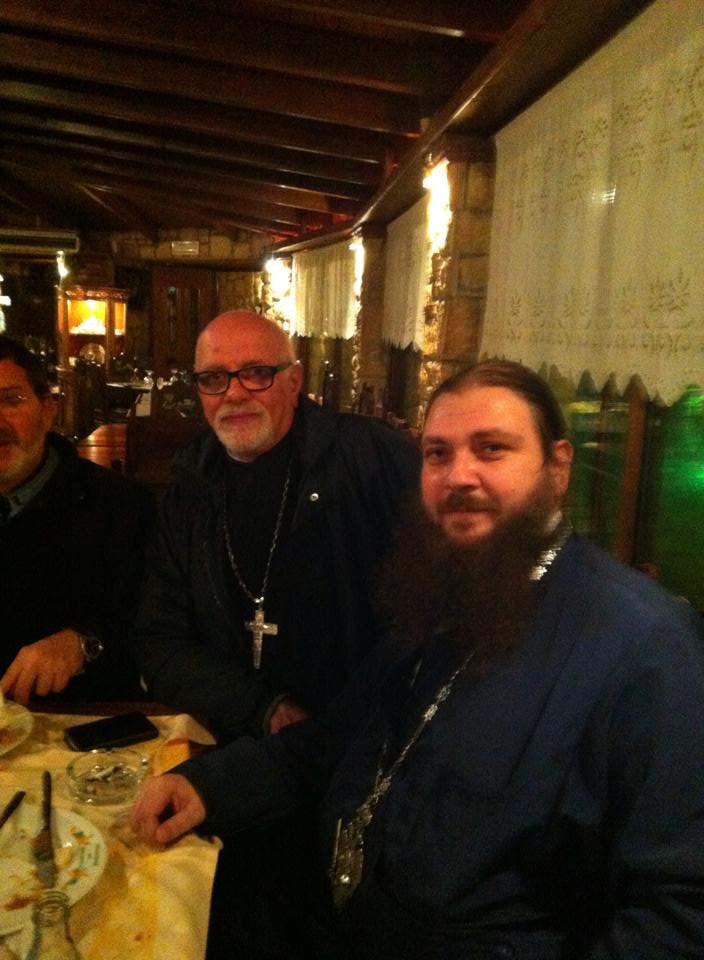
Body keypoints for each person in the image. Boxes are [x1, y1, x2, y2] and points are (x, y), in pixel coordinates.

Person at [132, 360, 704, 960]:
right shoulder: (449, 586)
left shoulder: (648, 646)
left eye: (491, 449)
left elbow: (681, 911)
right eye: (437, 454)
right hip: (330, 914)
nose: (459, 476)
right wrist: (210, 786)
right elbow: (336, 739)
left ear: (557, 467)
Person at [131, 309, 420, 958]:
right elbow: (159, 639)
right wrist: (261, 708)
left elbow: (425, 620)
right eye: (214, 378)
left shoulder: (371, 459)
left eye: (255, 373)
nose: (234, 393)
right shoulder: (190, 483)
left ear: (294, 380)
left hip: (356, 766)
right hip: (231, 759)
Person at [0, 336, 154, 704]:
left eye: (11, 400)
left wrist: (81, 643)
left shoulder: (120, 506)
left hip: (82, 717)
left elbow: (152, 626)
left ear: (47, 410)